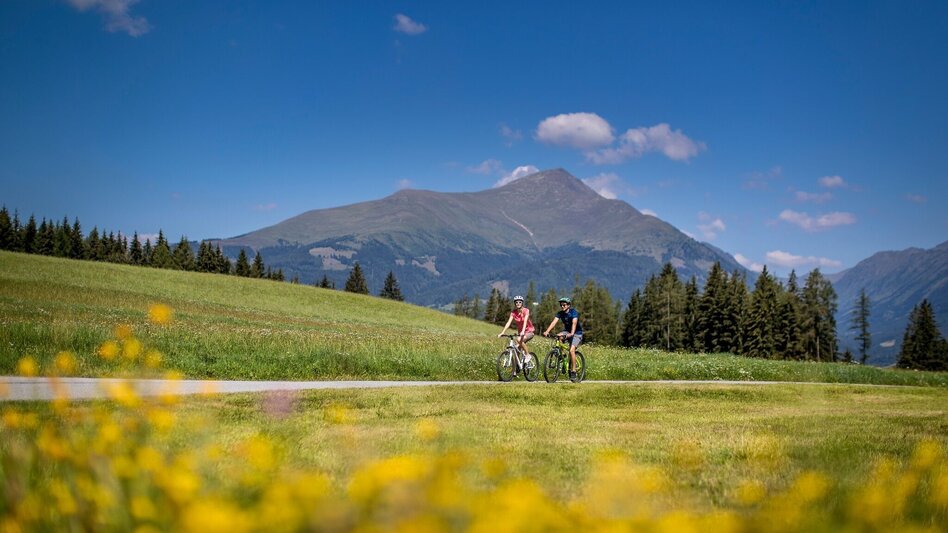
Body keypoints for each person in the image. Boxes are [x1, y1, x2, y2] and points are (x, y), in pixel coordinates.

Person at [543, 297, 583, 382]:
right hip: (567, 331)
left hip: (576, 333)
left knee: (572, 351)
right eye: (561, 305)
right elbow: (554, 322)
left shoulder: (573, 312)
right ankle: (563, 355)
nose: (562, 306)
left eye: (564, 305)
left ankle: (574, 371)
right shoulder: (560, 313)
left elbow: (574, 323)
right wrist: (547, 331)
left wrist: (571, 333)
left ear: (568, 305)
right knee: (558, 337)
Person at [498, 295, 535, 371]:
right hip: (521, 334)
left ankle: (528, 355)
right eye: (516, 302)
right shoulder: (513, 313)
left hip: (529, 332)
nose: (518, 303)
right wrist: (502, 332)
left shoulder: (526, 310)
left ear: (522, 303)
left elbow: (525, 321)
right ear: (515, 303)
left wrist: (522, 331)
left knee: (518, 340)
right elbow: (508, 323)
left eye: (519, 302)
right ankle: (516, 368)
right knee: (516, 349)